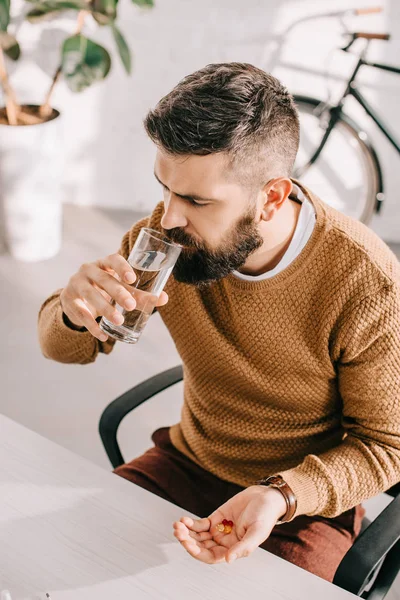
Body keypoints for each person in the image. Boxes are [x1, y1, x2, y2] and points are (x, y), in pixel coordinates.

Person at [37, 63, 400, 582]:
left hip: (301, 503)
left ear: (271, 197)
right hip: (186, 462)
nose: (168, 218)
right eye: (164, 188)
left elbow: (387, 446)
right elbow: (63, 349)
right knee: (63, 565)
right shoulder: (166, 242)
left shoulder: (364, 280)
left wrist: (282, 495)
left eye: (196, 200)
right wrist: (71, 313)